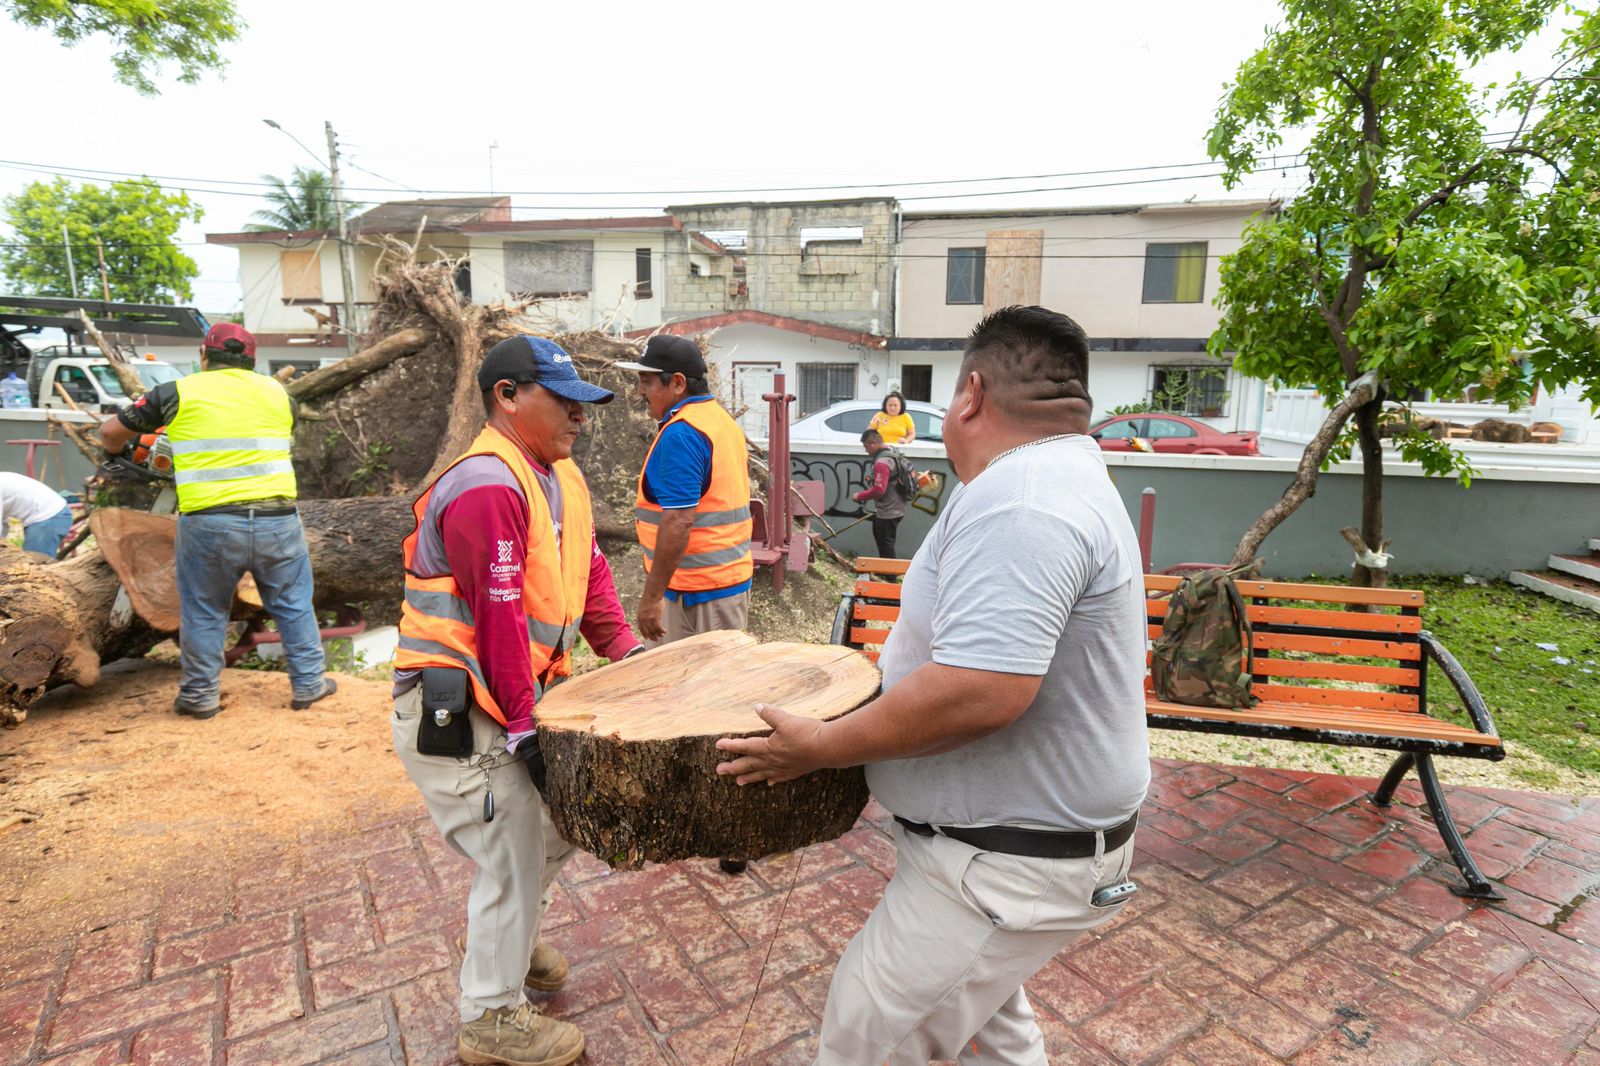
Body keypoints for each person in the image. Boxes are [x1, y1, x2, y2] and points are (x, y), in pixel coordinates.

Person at [716, 306, 1150, 1066]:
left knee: (864, 1042)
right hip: (1010, 858)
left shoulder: (1023, 498)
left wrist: (819, 746)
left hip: (1000, 870)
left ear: (971, 396)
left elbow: (982, 687)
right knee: (991, 1037)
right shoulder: (1062, 479)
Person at [392, 335, 643, 1066]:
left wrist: (628, 655)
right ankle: (492, 1019)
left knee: (558, 825)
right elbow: (498, 619)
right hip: (463, 710)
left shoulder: (555, 478)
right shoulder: (487, 486)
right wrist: (527, 733)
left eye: (582, 403)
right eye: (563, 401)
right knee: (515, 851)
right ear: (507, 396)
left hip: (515, 697)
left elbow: (590, 577)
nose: (580, 416)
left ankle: (512, 940)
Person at [98, 323, 334, 719]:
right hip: (278, 519)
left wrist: (118, 451)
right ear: (252, 362)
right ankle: (309, 685)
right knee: (292, 603)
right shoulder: (279, 393)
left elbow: (109, 432)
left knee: (205, 610)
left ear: (203, 357)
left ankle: (200, 696)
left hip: (209, 522)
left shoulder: (176, 392)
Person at [617, 334, 753, 646]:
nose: (640, 391)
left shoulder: (682, 433)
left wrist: (651, 599)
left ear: (677, 383)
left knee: (688, 692)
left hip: (695, 597)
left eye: (647, 381)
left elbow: (679, 520)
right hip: (720, 587)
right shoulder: (718, 421)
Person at [851, 429, 908, 559]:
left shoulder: (882, 462)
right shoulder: (892, 451)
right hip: (897, 507)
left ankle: (890, 577)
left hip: (889, 511)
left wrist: (859, 496)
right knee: (885, 543)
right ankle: (887, 574)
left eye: (866, 446)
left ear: (873, 443)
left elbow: (879, 489)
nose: (866, 450)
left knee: (885, 545)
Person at [0, 471, 73, 557]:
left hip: (49, 517)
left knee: (36, 566)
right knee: (33, 565)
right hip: (51, 516)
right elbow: (3, 525)